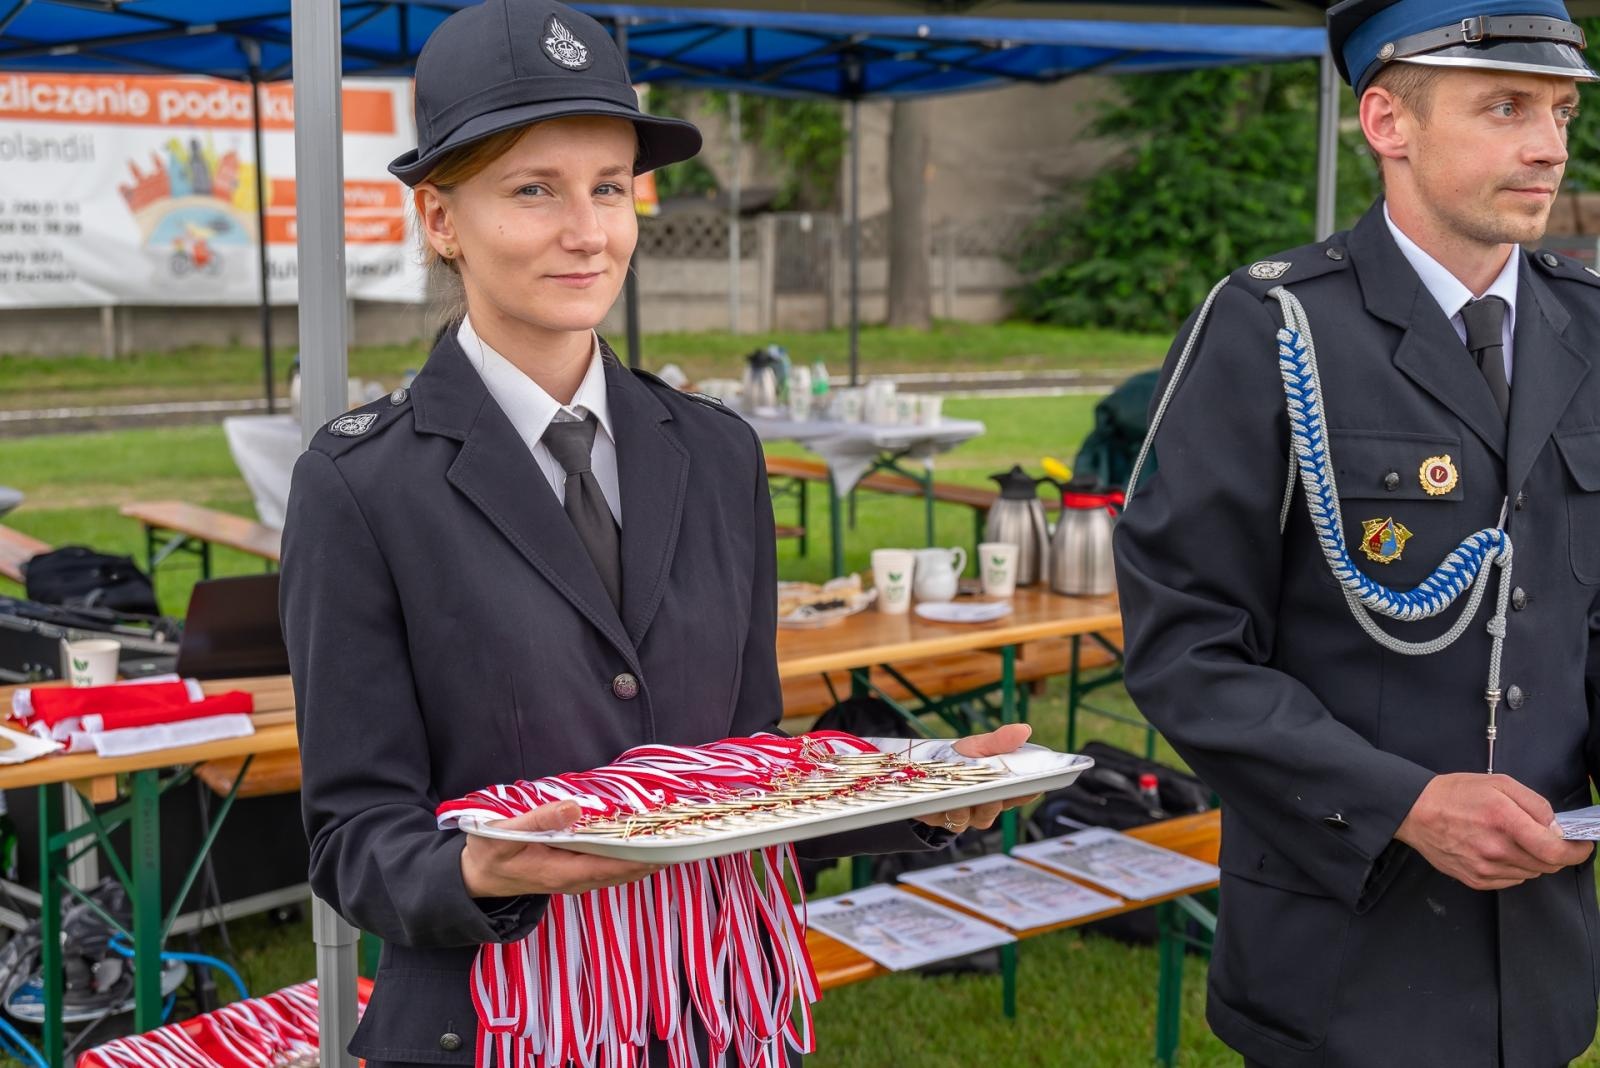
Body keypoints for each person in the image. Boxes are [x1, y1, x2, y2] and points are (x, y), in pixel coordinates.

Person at [278, 2, 1030, 1064]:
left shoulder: (718, 453)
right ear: (441, 219)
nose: (586, 230)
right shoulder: (361, 485)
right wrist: (476, 871)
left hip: (713, 1003)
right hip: (496, 1017)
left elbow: (745, 768)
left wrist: (923, 797)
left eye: (609, 188)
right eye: (532, 189)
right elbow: (354, 839)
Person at [1114, 1, 1600, 1063]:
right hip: (1341, 953)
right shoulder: (1271, 327)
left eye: (1560, 110)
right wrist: (1404, 803)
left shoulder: (1590, 326)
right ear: (1387, 122)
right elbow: (1182, 646)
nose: (1547, 145)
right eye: (1506, 106)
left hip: (1546, 958)